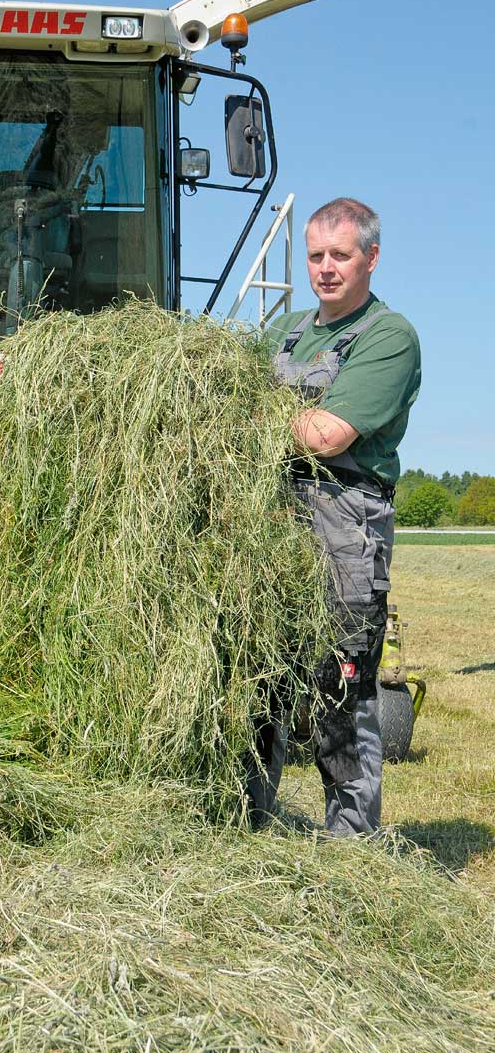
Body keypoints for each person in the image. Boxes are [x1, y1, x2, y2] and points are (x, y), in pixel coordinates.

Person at [248, 197, 421, 837]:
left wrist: (248, 421)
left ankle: (349, 846)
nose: (325, 268)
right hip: (270, 518)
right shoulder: (285, 331)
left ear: (371, 258)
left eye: (340, 255)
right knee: (257, 675)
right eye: (316, 255)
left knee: (339, 686)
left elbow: (325, 435)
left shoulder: (388, 337)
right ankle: (249, 824)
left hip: (345, 523)